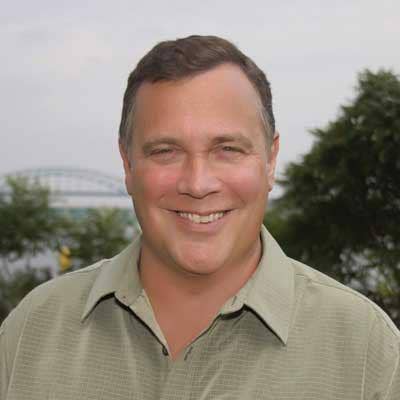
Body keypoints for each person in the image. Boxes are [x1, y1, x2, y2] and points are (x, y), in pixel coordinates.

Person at [1, 35, 399, 400]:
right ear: (127, 164)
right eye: (165, 151)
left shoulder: (369, 353)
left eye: (227, 149)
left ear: (270, 160)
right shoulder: (30, 333)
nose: (197, 183)